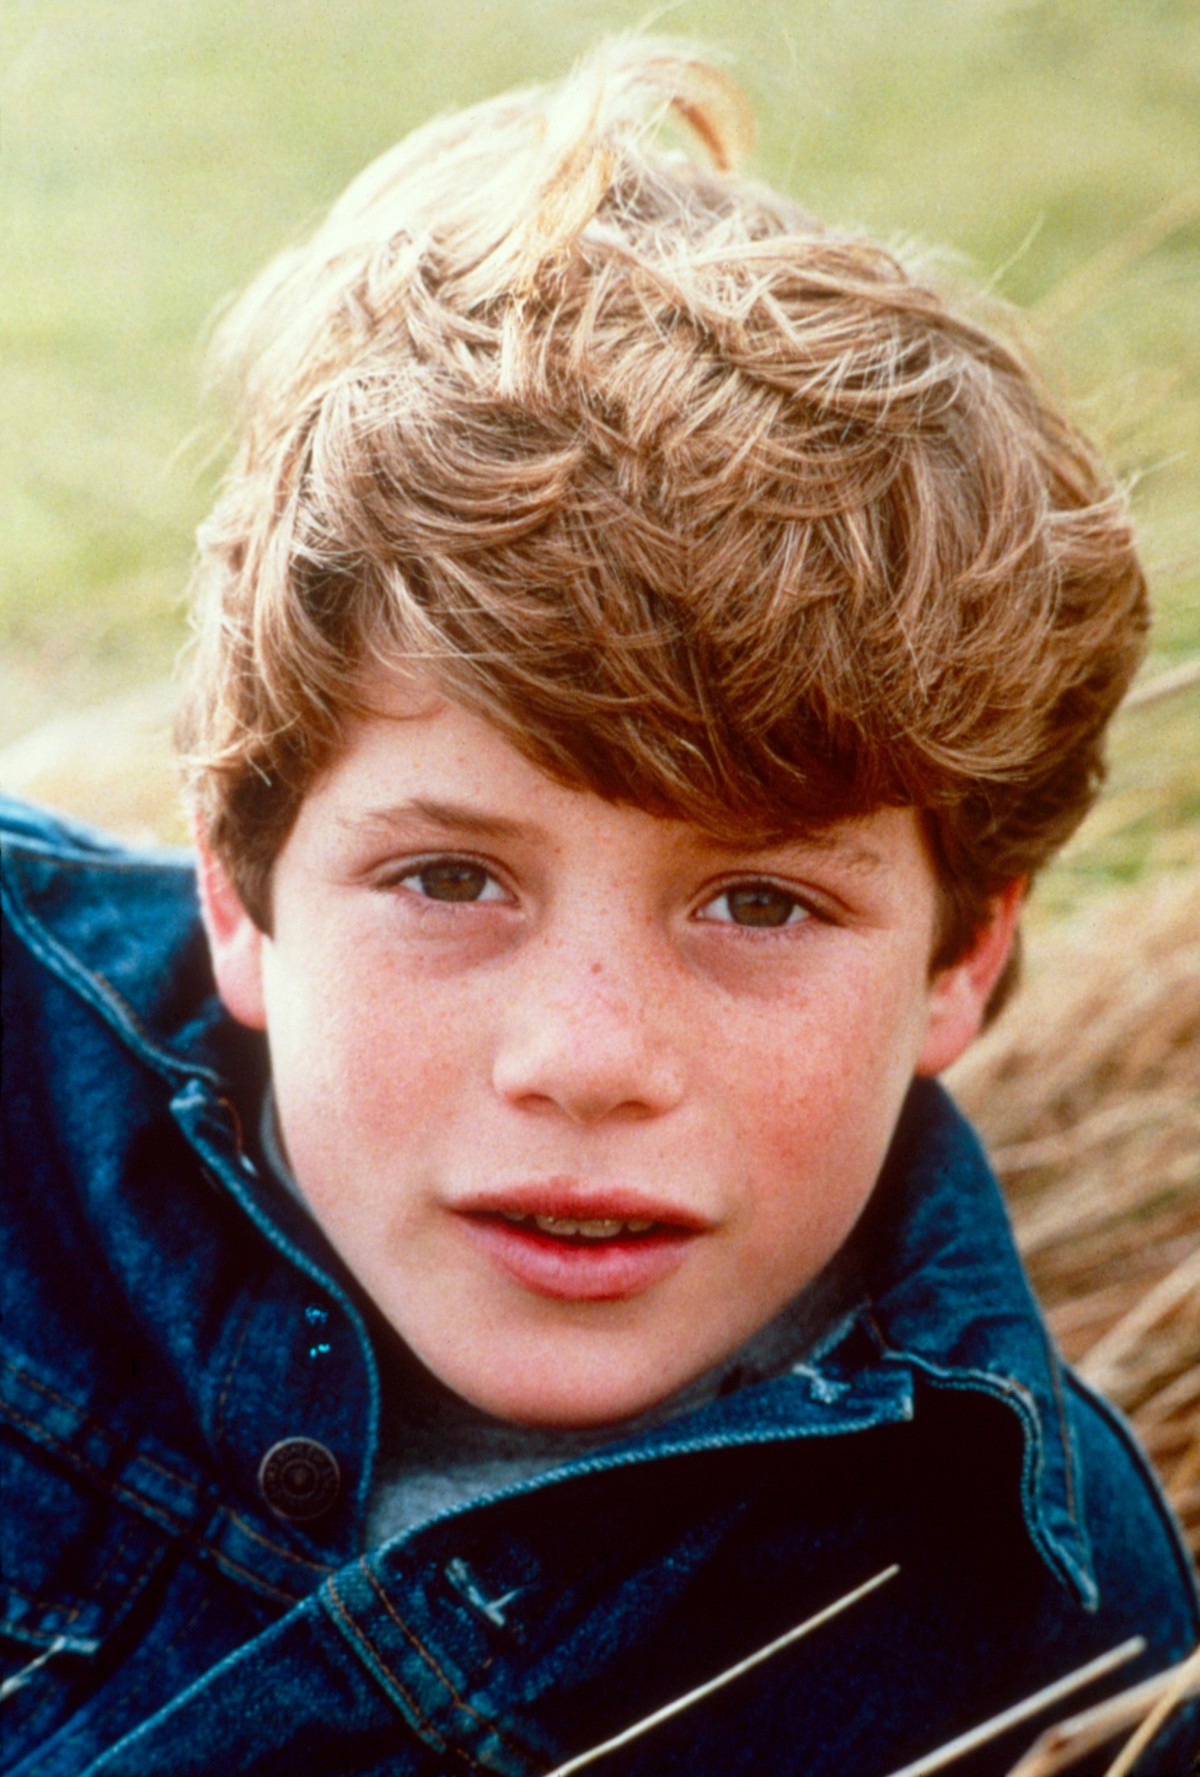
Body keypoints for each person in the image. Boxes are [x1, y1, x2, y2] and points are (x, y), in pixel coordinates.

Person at [2, 38, 1196, 1777]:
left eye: (761, 902)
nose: (587, 1058)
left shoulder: (1043, 1624)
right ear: (241, 896)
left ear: (965, 952)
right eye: (449, 879)